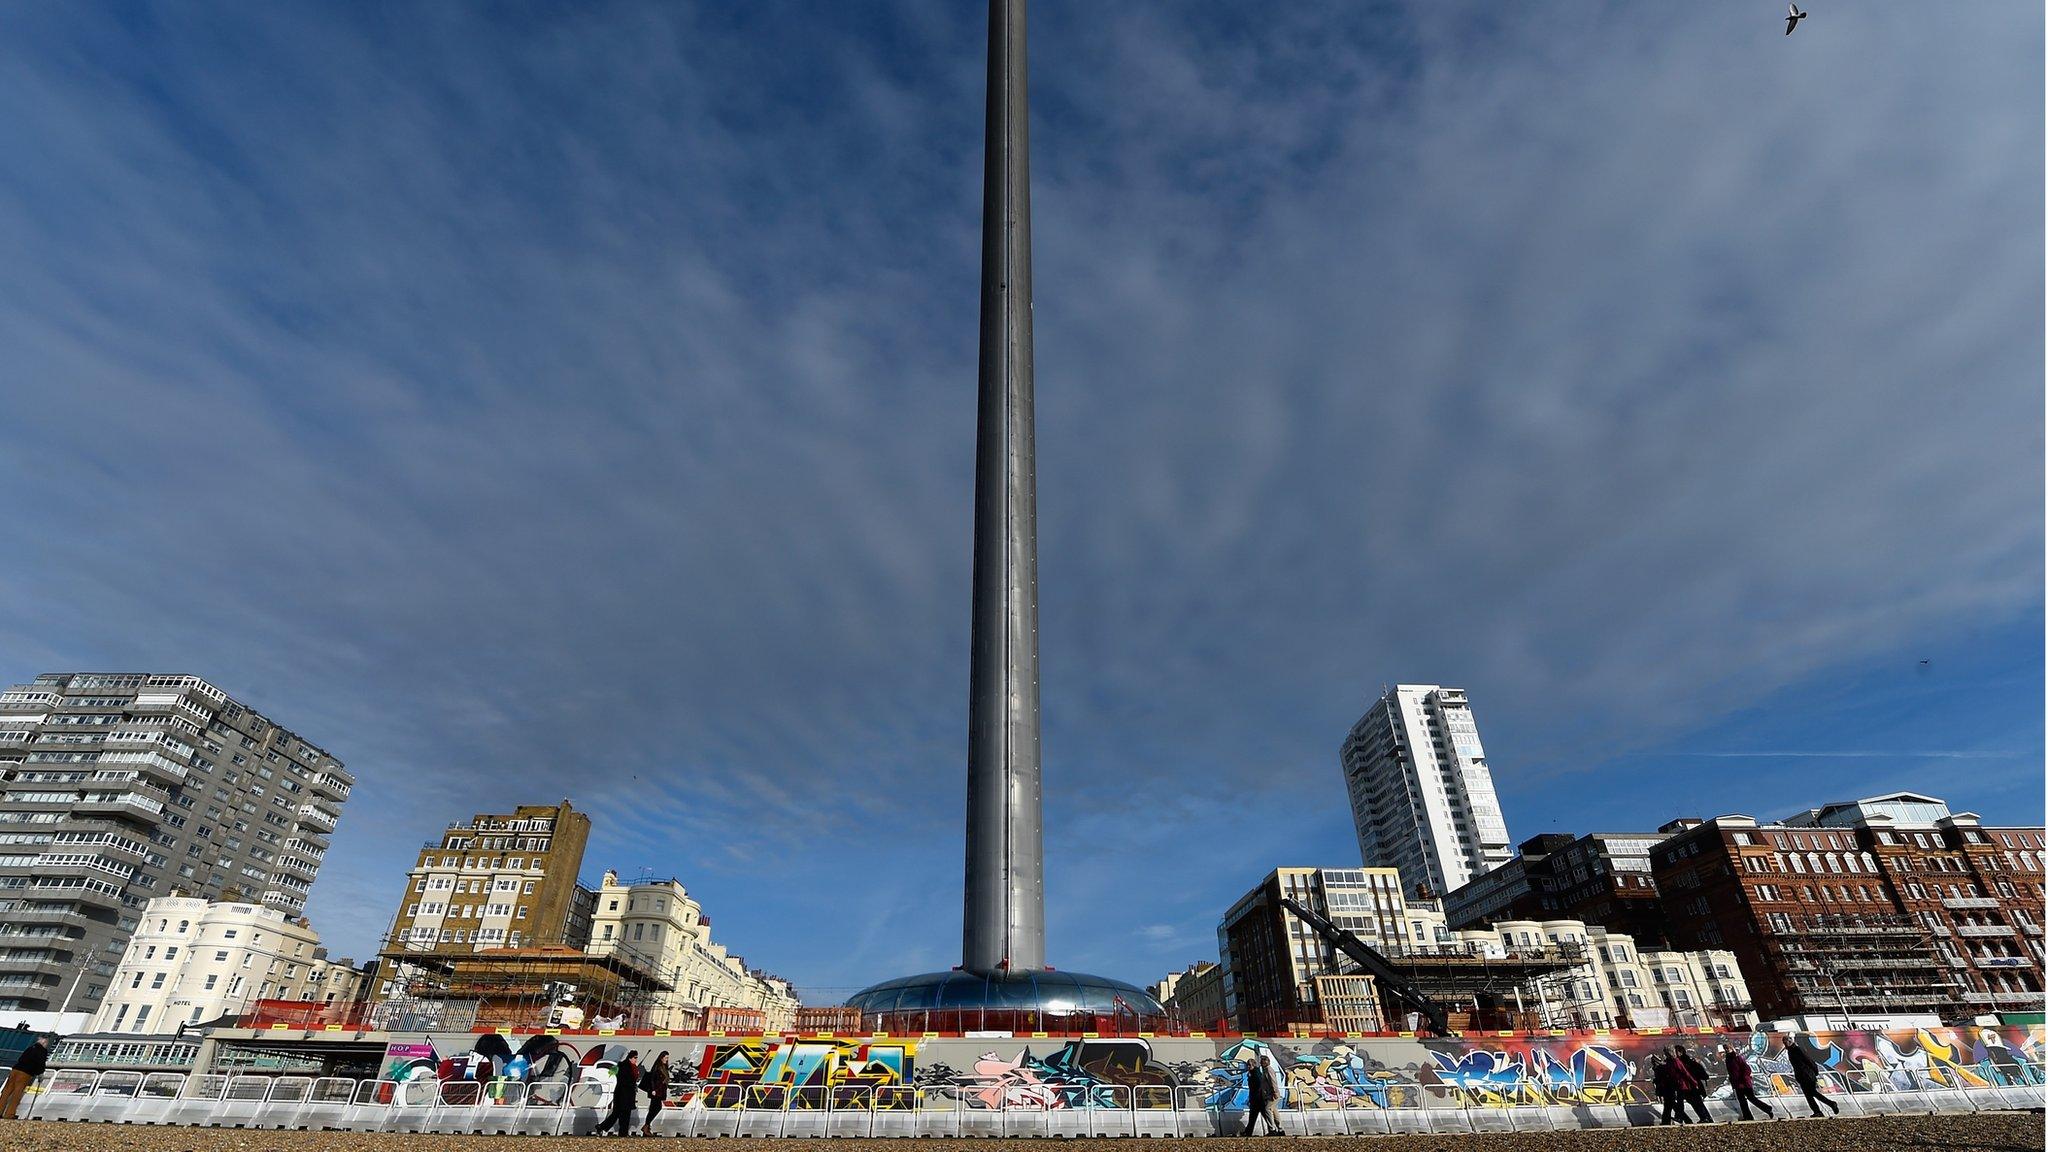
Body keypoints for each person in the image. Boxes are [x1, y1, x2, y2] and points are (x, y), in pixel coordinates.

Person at [1783, 1040, 1838, 1118]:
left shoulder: (1797, 1050)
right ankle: (1818, 1111)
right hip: (1802, 1076)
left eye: (1785, 1043)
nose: (1784, 1045)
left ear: (1789, 1042)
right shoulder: (1791, 1051)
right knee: (1809, 1095)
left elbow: (1809, 1060)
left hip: (1807, 1075)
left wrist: (1815, 1072)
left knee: (1812, 1093)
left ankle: (1830, 1104)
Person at [0, 1032, 48, 1120]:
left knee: (6, 1091)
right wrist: (40, 1073)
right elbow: (40, 1063)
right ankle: (9, 1114)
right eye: (46, 1043)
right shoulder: (42, 1051)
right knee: (17, 1093)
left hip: (15, 1070)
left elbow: (21, 1058)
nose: (46, 1045)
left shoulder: (30, 1048)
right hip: (25, 1073)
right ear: (44, 1042)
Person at [592, 1050, 640, 1136]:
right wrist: (632, 1084)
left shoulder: (630, 1066)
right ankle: (620, 1132)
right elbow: (624, 1080)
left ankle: (604, 1127)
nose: (636, 1059)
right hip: (623, 1094)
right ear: (630, 1058)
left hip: (625, 1094)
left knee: (619, 1114)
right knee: (622, 1114)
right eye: (635, 1058)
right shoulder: (624, 1066)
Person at [1721, 1044, 1774, 1121]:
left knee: (1752, 1098)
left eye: (1728, 1048)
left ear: (1731, 1048)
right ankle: (1748, 1116)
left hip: (1744, 1083)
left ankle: (1767, 1108)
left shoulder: (1737, 1058)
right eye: (1725, 1048)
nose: (1726, 1050)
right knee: (1742, 1101)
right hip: (1737, 1083)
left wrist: (1744, 1078)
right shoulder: (1728, 1059)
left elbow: (1746, 1069)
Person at [1241, 1055, 1283, 1135]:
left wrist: (1275, 1092)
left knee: (1266, 1112)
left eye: (1249, 1065)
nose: (1248, 1067)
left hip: (1259, 1098)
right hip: (1259, 1098)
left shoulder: (1259, 1073)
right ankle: (1278, 1130)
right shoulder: (1255, 1073)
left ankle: (1273, 1130)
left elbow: (1272, 1082)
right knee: (1263, 1114)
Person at [1673, 1044, 1713, 1124]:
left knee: (1696, 1103)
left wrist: (1694, 1082)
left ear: (1680, 1052)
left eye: (1675, 1052)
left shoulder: (1683, 1062)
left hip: (1690, 1086)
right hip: (1691, 1085)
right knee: (1696, 1103)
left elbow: (1688, 1074)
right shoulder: (1689, 1061)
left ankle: (1705, 1117)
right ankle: (1706, 1118)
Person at [639, 1052, 670, 1137]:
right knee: (655, 1108)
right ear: (661, 1057)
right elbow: (653, 1078)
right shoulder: (658, 1066)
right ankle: (646, 1126)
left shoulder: (664, 1067)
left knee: (654, 1108)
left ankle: (647, 1126)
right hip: (656, 1091)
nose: (667, 1059)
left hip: (660, 1091)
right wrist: (653, 1089)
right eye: (666, 1058)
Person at [1651, 1054, 1687, 1125]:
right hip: (1668, 1089)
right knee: (1669, 1106)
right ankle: (1681, 1118)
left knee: (1669, 1106)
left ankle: (1668, 1121)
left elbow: (1662, 1080)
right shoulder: (1661, 1067)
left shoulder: (1661, 1068)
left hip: (1667, 1089)